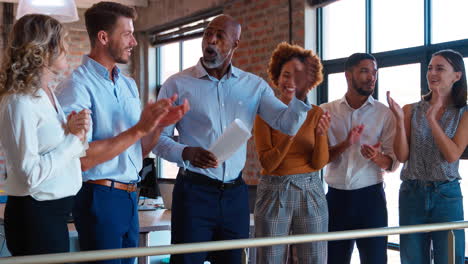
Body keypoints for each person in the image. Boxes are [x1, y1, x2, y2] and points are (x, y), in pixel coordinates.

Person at [154, 15, 315, 264]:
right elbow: (158, 140)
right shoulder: (177, 84)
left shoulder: (253, 86)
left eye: (220, 36)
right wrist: (186, 152)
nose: (211, 40)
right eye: (208, 34)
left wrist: (301, 95)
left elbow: (286, 123)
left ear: (235, 44)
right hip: (194, 193)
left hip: (235, 196)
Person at [57, 2, 188, 264]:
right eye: (127, 34)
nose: (134, 42)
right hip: (98, 196)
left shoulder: (128, 85)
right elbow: (81, 158)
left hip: (130, 197)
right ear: (103, 37)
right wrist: (140, 128)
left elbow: (136, 151)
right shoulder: (77, 85)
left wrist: (159, 124)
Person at [0, 14, 90, 256]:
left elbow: (66, 154)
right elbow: (30, 175)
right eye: (62, 42)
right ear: (43, 49)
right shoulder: (19, 101)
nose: (67, 49)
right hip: (35, 216)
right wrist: (72, 139)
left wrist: (76, 131)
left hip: (54, 213)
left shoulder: (47, 93)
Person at [387, 49, 468, 264]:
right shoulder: (410, 110)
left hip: (447, 195)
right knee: (412, 259)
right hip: (412, 193)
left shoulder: (464, 113)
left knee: (450, 258)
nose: (432, 72)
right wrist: (398, 121)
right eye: (430, 68)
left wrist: (433, 121)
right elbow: (402, 156)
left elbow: (452, 155)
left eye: (440, 68)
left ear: (457, 75)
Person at [253, 42, 330, 264]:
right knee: (269, 258)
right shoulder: (264, 113)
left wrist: (322, 135)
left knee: (314, 258)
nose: (292, 81)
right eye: (287, 75)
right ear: (277, 77)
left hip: (310, 189)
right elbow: (269, 163)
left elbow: (318, 164)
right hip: (274, 191)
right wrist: (290, 133)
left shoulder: (316, 113)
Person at [320, 53, 399, 264]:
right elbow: (318, 160)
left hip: (371, 200)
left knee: (375, 260)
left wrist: (377, 157)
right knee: (334, 260)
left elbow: (391, 163)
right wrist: (345, 143)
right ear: (348, 75)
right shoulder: (325, 112)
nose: (371, 77)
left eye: (374, 72)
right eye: (365, 71)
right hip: (335, 201)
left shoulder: (385, 114)